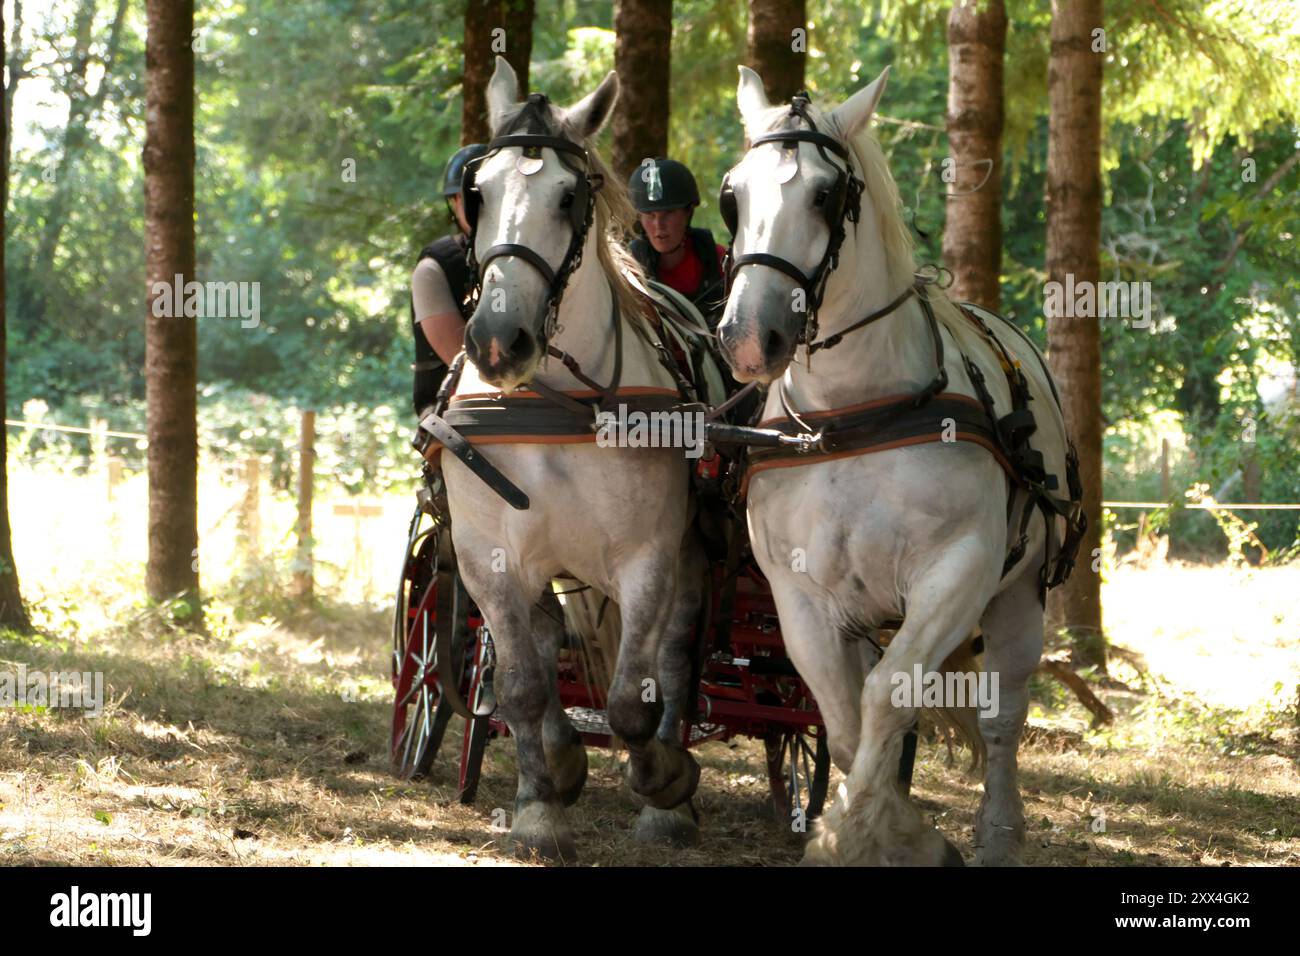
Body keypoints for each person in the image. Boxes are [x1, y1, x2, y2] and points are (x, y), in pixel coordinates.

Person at [410, 143, 487, 419]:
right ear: (455, 202)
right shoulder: (433, 270)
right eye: (474, 198)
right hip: (453, 412)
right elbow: (469, 365)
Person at [627, 157, 727, 326]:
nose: (659, 225)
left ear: (688, 212)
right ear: (639, 218)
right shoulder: (628, 268)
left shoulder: (717, 258)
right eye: (650, 215)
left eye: (669, 213)